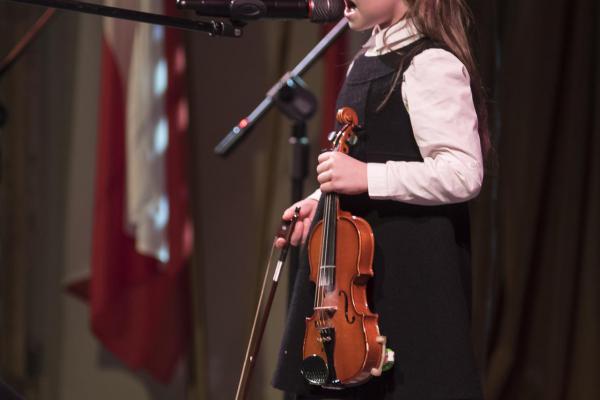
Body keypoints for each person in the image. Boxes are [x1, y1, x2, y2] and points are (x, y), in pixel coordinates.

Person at [272, 0, 491, 398]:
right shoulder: (366, 59)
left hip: (408, 278)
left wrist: (366, 177)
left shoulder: (429, 64)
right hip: (351, 284)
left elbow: (463, 173)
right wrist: (321, 199)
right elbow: (364, 154)